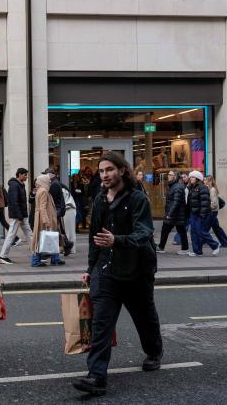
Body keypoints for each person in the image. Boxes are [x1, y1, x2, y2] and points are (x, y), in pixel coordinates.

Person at [73, 152, 163, 396]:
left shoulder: (137, 199)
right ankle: (97, 378)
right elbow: (96, 239)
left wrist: (117, 241)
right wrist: (90, 270)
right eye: (101, 171)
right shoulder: (101, 200)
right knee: (100, 324)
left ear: (122, 171)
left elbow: (143, 233)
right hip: (107, 270)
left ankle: (154, 351)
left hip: (137, 271)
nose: (104, 175)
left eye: (109, 170)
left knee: (144, 317)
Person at [0, 168, 32, 265]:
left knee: (29, 234)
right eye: (25, 175)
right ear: (19, 175)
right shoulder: (14, 185)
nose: (26, 176)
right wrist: (19, 215)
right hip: (18, 215)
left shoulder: (20, 185)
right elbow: (13, 201)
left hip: (22, 215)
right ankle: (2, 256)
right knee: (11, 235)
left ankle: (35, 253)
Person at [30, 174, 65, 267]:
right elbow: (42, 207)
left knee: (51, 238)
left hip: (43, 218)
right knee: (42, 239)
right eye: (48, 181)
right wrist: (46, 221)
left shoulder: (41, 190)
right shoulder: (44, 191)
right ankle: (36, 261)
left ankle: (55, 258)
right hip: (44, 219)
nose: (50, 183)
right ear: (43, 181)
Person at [187, 170, 220, 257]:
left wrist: (202, 215)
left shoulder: (202, 188)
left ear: (198, 178)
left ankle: (215, 245)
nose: (191, 178)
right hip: (193, 214)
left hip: (200, 214)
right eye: (190, 177)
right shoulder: (192, 187)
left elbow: (205, 203)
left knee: (201, 232)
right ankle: (197, 251)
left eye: (193, 177)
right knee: (193, 232)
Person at [156, 170, 189, 255]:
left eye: (170, 175)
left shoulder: (177, 187)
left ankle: (161, 247)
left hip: (175, 214)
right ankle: (184, 248)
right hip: (175, 214)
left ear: (175, 176)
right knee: (179, 230)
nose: (168, 176)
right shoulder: (173, 186)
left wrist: (169, 214)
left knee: (168, 230)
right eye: (168, 174)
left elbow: (176, 202)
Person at [44, 168, 73, 256]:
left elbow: (51, 199)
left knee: (55, 230)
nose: (45, 176)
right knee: (57, 230)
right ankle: (67, 244)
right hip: (57, 210)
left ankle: (56, 249)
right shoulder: (55, 182)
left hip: (56, 210)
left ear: (51, 175)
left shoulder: (54, 184)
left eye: (46, 174)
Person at [205, 175, 227, 248]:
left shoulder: (212, 190)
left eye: (205, 180)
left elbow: (214, 203)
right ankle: (226, 242)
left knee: (205, 228)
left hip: (212, 211)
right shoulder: (210, 189)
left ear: (209, 181)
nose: (204, 181)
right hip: (213, 212)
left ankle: (202, 241)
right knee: (216, 228)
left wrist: (208, 208)